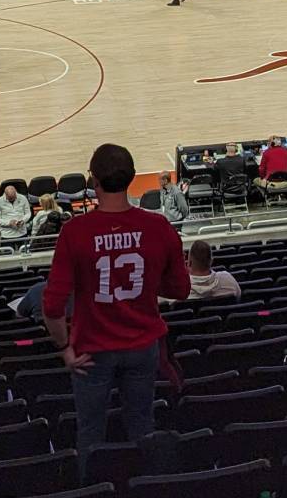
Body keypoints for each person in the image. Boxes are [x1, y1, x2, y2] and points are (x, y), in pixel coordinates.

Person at [42, 143, 187, 480]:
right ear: (132, 179)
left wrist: (64, 348)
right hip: (142, 347)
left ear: (93, 181)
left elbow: (52, 305)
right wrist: (145, 283)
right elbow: (180, 289)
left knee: (91, 431)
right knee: (141, 426)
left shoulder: (74, 232)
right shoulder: (159, 227)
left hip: (92, 352)